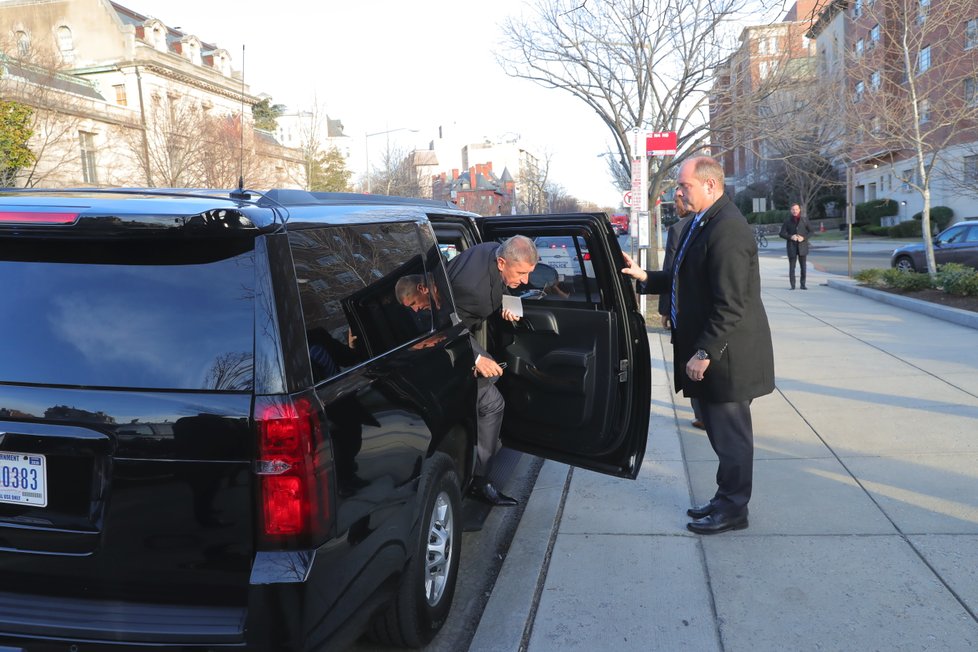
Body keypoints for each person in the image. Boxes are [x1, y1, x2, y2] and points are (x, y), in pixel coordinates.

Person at [621, 156, 774, 535]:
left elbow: (732, 302)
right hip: (716, 352)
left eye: (684, 185)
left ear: (710, 185)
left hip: (728, 357)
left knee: (732, 438)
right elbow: (682, 277)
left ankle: (734, 509)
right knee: (721, 436)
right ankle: (725, 499)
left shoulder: (729, 230)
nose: (678, 192)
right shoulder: (705, 222)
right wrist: (646, 277)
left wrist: (705, 351)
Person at [404, 237, 539, 507]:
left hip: (455, 330)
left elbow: (502, 278)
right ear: (501, 262)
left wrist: (507, 301)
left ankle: (471, 462)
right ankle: (478, 480)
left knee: (493, 377)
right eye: (521, 274)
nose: (525, 281)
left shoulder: (494, 249)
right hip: (436, 340)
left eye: (528, 273)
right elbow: (441, 320)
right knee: (492, 403)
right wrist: (475, 357)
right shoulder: (471, 287)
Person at [660, 193, 704, 431]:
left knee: (692, 357)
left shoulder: (678, 229)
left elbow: (671, 271)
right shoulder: (706, 223)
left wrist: (665, 309)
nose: (675, 204)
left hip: (686, 308)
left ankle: (702, 414)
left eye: (677, 200)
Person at [779, 203, 813, 290]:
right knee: (792, 267)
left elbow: (811, 232)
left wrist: (804, 238)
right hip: (792, 246)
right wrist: (790, 237)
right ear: (791, 210)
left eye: (796, 209)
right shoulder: (787, 221)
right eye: (793, 209)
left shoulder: (804, 220)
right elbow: (781, 234)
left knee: (803, 267)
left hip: (802, 246)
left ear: (799, 210)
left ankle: (803, 284)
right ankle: (792, 285)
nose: (795, 211)